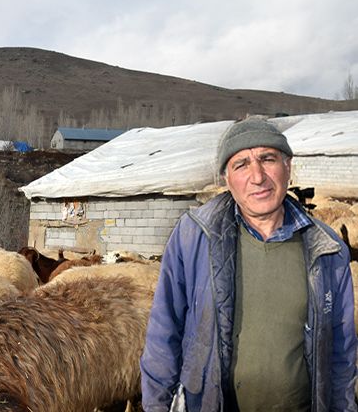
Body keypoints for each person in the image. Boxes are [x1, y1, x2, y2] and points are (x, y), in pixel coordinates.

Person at [140, 118, 357, 411]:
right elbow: (164, 333)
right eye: (241, 164)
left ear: (288, 167)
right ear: (226, 179)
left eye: (268, 159)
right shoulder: (194, 236)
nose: (257, 176)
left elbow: (341, 350)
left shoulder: (327, 248)